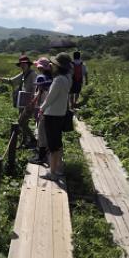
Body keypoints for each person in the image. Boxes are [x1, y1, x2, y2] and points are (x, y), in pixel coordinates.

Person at [39, 52, 72, 180]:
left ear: (58, 66)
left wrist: (41, 109)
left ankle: (52, 173)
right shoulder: (67, 78)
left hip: (51, 115)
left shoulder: (58, 80)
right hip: (60, 114)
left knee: (52, 145)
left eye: (54, 64)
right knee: (57, 143)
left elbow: (49, 99)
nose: (51, 65)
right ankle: (58, 168)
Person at [0, 55, 37, 148]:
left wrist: (32, 100)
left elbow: (35, 88)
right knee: (23, 122)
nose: (22, 65)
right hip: (23, 100)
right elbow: (12, 81)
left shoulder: (32, 74)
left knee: (22, 122)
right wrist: (1, 80)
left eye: (24, 64)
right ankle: (25, 141)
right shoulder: (23, 74)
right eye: (21, 64)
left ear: (28, 64)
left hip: (29, 101)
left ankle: (32, 139)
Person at [28, 57, 52, 165]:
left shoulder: (41, 77)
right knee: (46, 131)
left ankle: (41, 157)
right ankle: (45, 152)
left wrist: (34, 103)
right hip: (51, 107)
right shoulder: (52, 77)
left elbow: (39, 92)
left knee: (41, 131)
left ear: (40, 67)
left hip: (43, 106)